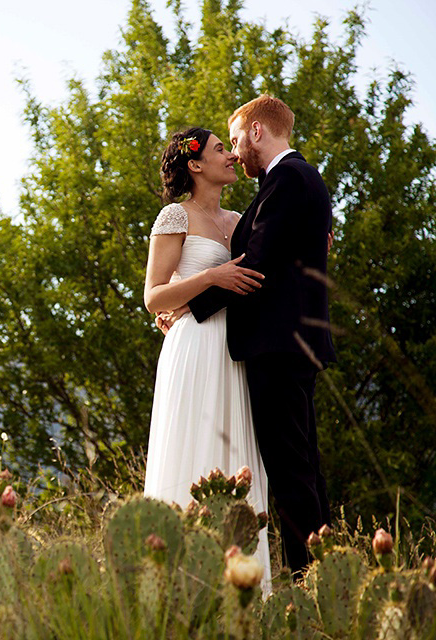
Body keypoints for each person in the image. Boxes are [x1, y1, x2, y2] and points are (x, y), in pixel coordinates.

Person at [183, 95, 336, 580]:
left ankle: (304, 579)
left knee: (291, 472)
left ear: (255, 133)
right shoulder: (301, 179)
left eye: (234, 140)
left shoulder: (287, 178)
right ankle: (322, 572)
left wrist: (189, 309)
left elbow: (259, 259)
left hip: (278, 344)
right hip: (293, 343)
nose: (234, 152)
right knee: (304, 466)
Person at [143, 125, 272, 593]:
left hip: (235, 352)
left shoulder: (240, 220)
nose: (232, 156)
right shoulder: (175, 216)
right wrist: (211, 277)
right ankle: (180, 585)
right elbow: (155, 297)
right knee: (191, 448)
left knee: (234, 452)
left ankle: (241, 586)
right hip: (193, 348)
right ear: (195, 165)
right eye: (222, 150)